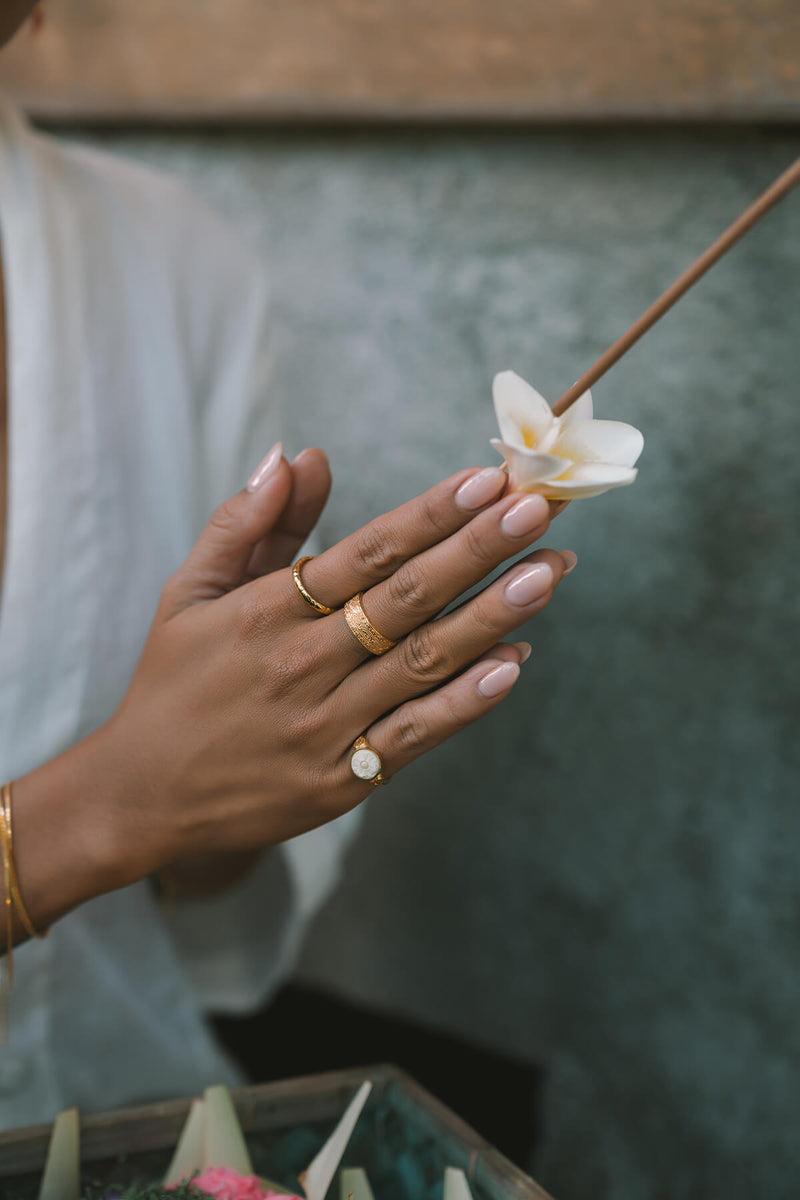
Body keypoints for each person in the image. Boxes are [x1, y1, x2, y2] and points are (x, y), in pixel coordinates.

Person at [0, 3, 574, 1128]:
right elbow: (127, 806)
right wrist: (100, 811)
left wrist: (249, 765)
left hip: (120, 1116)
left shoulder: (172, 258)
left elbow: (200, 887)